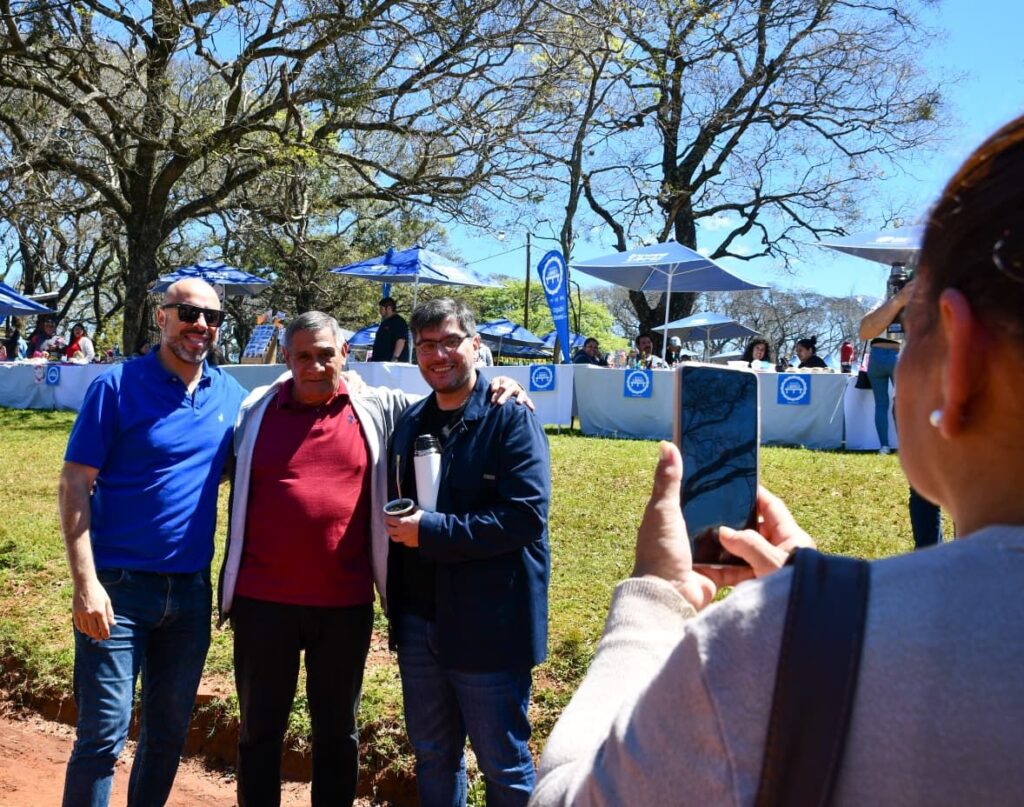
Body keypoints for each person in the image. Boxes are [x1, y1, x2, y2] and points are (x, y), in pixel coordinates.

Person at [531, 115, 1024, 805]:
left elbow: (565, 795)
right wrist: (824, 596)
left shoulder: (769, 651)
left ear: (960, 358)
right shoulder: (810, 623)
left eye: (913, 330)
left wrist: (655, 601)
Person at [219, 311, 532, 806]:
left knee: (338, 734)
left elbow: (449, 393)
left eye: (326, 354)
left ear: (345, 354)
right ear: (287, 359)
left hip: (344, 606)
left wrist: (500, 382)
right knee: (259, 732)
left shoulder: (378, 407)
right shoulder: (253, 411)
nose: (316, 366)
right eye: (303, 356)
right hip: (262, 604)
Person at [58, 279, 247, 806]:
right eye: (187, 312)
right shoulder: (117, 386)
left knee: (166, 736)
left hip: (190, 593)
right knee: (102, 736)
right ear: (161, 316)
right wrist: (85, 584)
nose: (200, 325)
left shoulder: (232, 396)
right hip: (117, 589)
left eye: (212, 317)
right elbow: (75, 482)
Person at [385, 298, 550, 806]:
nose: (439, 355)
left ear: (476, 345)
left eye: (450, 342)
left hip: (489, 625)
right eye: (426, 345)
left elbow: (525, 517)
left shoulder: (509, 416)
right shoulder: (410, 421)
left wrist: (431, 532)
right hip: (419, 623)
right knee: (433, 755)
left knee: (504, 764)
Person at [859, 269, 943, 547]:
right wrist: (899, 300)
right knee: (922, 485)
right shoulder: (897, 297)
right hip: (916, 397)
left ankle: (967, 555)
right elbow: (866, 330)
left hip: (961, 392)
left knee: (968, 485)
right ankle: (929, 555)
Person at [369, 296, 410, 362]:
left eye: (381, 308)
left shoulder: (398, 321)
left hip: (391, 363)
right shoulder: (384, 322)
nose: (380, 311)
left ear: (389, 308)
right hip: (379, 362)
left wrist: (395, 358)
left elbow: (401, 340)